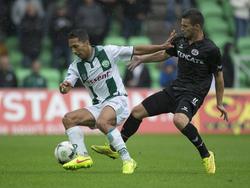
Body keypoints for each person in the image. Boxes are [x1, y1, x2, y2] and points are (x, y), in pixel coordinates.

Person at [91, 8, 229, 174]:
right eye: (181, 25)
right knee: (137, 112)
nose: (182, 28)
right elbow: (164, 54)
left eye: (185, 26)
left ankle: (206, 155)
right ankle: (115, 147)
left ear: (197, 27)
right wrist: (142, 59)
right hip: (174, 89)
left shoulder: (211, 49)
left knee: (179, 120)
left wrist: (220, 102)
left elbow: (219, 77)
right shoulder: (181, 40)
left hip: (193, 93)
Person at [59, 29, 174, 174]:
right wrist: (64, 87)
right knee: (68, 119)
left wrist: (162, 46)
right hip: (99, 106)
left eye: (76, 46)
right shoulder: (76, 66)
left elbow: (136, 49)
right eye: (71, 48)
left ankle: (128, 160)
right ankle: (83, 156)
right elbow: (67, 84)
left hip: (117, 99)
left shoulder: (108, 51)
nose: (74, 51)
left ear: (86, 43)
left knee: (102, 122)